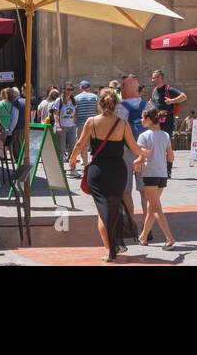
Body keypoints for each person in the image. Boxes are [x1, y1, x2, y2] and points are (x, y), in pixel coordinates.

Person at [68, 88, 146, 263]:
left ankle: (110, 249)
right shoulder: (122, 123)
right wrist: (143, 154)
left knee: (102, 209)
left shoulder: (91, 122)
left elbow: (80, 144)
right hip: (118, 170)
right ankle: (114, 245)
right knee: (113, 208)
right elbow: (134, 148)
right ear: (116, 104)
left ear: (100, 103)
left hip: (98, 170)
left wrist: (72, 159)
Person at [134, 106, 176, 249]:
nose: (141, 120)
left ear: (149, 119)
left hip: (150, 174)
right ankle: (143, 236)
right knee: (152, 206)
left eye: (143, 118)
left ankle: (169, 238)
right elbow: (171, 157)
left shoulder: (143, 136)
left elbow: (141, 158)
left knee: (155, 207)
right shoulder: (165, 135)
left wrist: (135, 163)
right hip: (162, 175)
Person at [117, 75, 147, 231]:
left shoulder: (121, 107)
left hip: (126, 151)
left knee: (126, 191)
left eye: (122, 87)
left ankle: (131, 225)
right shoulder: (148, 106)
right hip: (144, 152)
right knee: (145, 190)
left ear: (126, 89)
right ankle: (147, 226)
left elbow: (117, 130)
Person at [149, 70, 187, 173]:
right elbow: (155, 104)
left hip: (167, 123)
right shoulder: (154, 90)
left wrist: (171, 101)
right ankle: (160, 168)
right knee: (157, 146)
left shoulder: (169, 89)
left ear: (160, 78)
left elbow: (184, 96)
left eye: (154, 78)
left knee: (166, 146)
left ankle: (168, 170)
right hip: (156, 123)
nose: (152, 80)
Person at [53, 85, 78, 176]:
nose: (70, 91)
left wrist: (74, 123)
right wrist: (58, 125)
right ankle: (61, 169)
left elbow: (75, 113)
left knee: (73, 148)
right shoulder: (59, 100)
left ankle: (73, 169)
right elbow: (55, 114)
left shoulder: (73, 100)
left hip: (71, 126)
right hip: (62, 126)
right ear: (64, 90)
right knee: (61, 149)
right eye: (68, 89)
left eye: (71, 89)